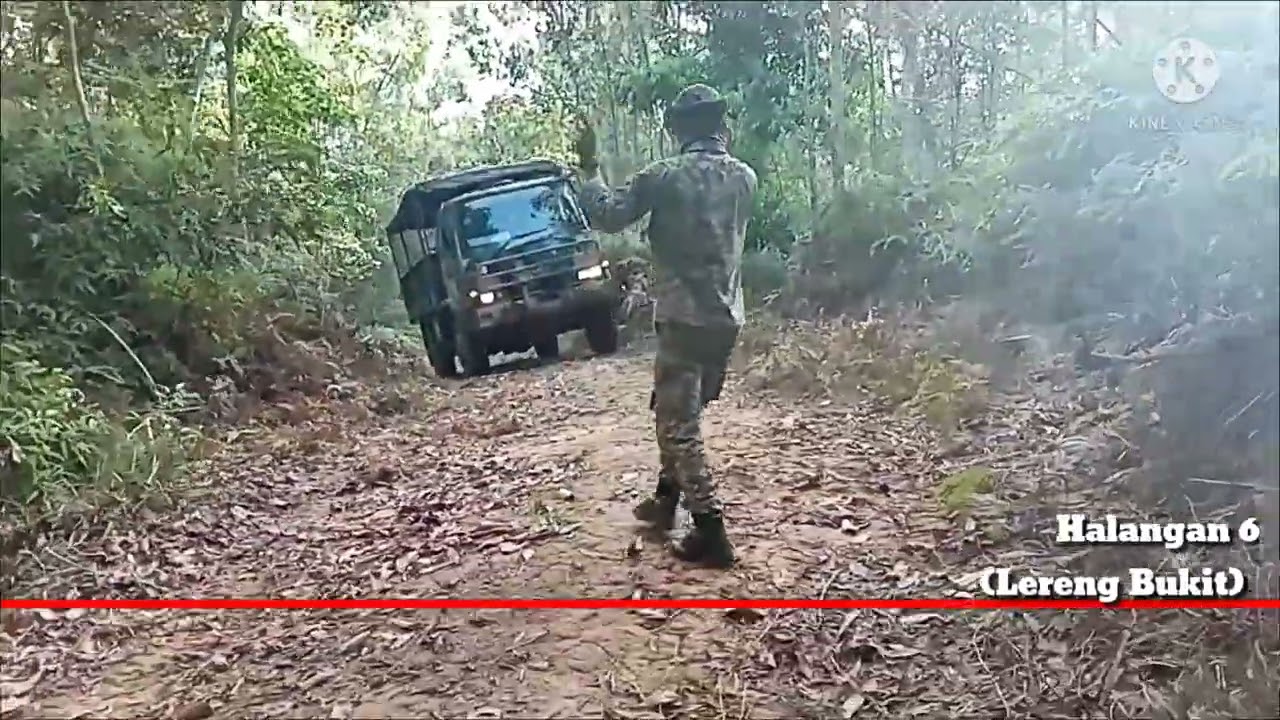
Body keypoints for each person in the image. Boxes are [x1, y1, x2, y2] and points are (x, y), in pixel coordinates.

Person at [572, 83, 758, 569]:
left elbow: (609, 215)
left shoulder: (666, 176)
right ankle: (664, 499)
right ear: (721, 127)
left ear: (679, 130)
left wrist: (589, 170)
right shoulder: (745, 178)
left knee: (678, 423)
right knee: (674, 407)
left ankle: (711, 529)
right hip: (726, 317)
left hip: (683, 315)